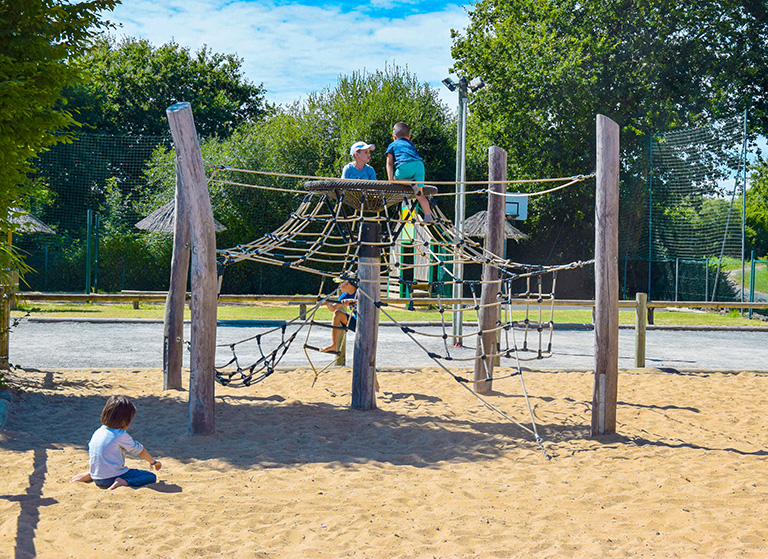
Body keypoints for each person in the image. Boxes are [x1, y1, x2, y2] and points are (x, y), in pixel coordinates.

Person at [70, 395, 162, 490]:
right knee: (150, 477)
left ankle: (90, 474)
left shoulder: (98, 431)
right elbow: (139, 451)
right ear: (123, 421)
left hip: (97, 476)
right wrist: (153, 462)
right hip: (111, 478)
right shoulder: (120, 435)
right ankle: (123, 482)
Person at [385, 122, 434, 222]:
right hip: (419, 165)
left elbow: (389, 163)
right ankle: (428, 216)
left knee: (397, 178)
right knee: (420, 194)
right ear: (409, 137)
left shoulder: (392, 145)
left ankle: (410, 181)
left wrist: (391, 181)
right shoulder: (410, 144)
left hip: (406, 164)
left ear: (394, 137)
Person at [321, 278, 357, 354]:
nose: (339, 286)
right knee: (337, 314)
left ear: (347, 283)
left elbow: (368, 301)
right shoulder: (344, 295)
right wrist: (327, 304)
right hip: (357, 322)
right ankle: (333, 345)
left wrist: (353, 301)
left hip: (367, 325)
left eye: (340, 284)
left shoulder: (361, 292)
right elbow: (333, 308)